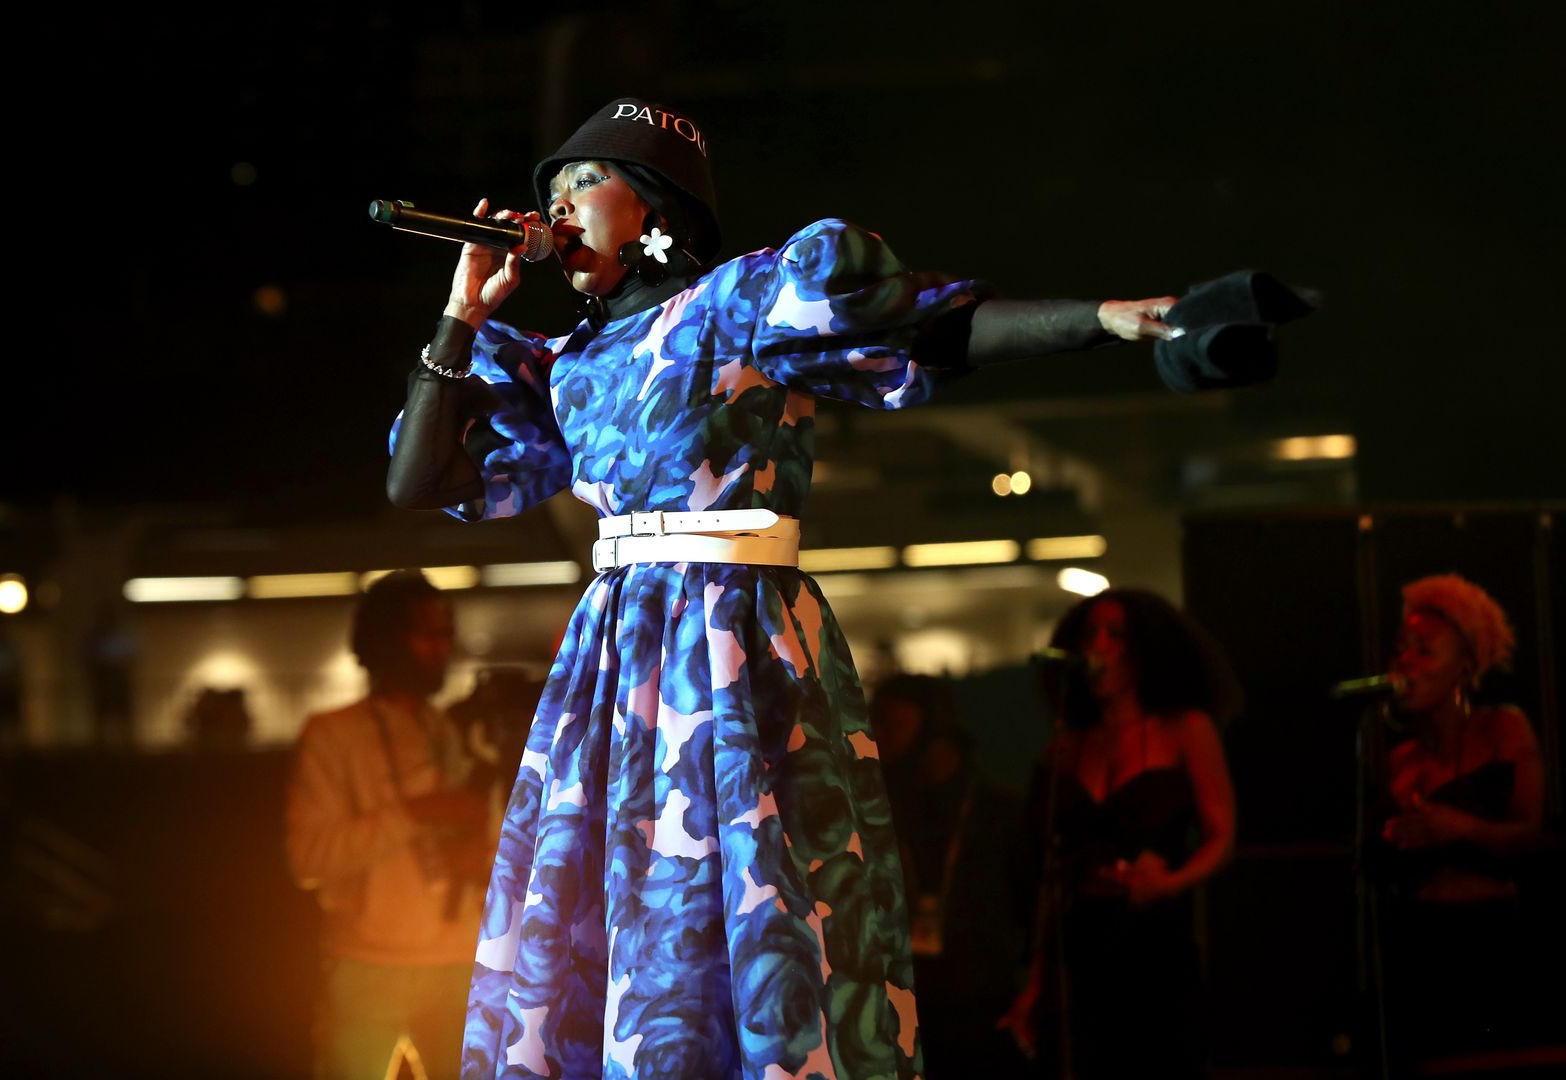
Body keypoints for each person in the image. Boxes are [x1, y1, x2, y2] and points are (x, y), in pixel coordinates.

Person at [386, 96, 1250, 1079]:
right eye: (551, 192)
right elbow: (419, 480)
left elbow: (932, 328)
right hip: (619, 664)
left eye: (585, 182)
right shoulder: (569, 367)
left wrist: (1106, 320)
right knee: (614, 913)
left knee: (751, 907)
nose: (559, 208)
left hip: (729, 637)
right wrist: (462, 315)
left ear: (657, 208)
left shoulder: (740, 306)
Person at [1001, 589, 1239, 1078]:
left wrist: (1171, 881)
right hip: (1080, 945)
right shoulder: (1066, 747)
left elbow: (1221, 833)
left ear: (1144, 650)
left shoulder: (1185, 729)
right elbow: (1050, 875)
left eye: (1116, 635)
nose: (1099, 647)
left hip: (1155, 943)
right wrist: (1035, 984)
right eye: (1090, 635)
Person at [283, 570, 493, 1079]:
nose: (441, 649)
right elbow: (309, 858)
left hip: (459, 961)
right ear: (383, 641)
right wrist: (419, 813)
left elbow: (493, 837)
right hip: (365, 965)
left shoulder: (451, 730)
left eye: (446, 635)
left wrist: (480, 851)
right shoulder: (332, 735)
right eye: (427, 635)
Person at [1378, 573, 1543, 1062]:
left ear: (1465, 668)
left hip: (1491, 940)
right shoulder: (1399, 761)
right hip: (1420, 941)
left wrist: (1459, 829)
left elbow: (1532, 836)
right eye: (1399, 648)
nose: (1405, 661)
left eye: (1424, 650)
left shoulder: (1503, 729)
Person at [871, 674, 1030, 1079]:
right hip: (905, 1003)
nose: (878, 735)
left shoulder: (1000, 813)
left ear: (934, 726)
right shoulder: (880, 809)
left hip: (984, 1006)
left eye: (892, 723)